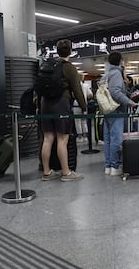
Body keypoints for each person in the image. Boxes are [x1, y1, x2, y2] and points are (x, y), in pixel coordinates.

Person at [40, 39, 86, 182]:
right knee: (62, 139)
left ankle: (47, 172)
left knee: (47, 138)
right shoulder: (69, 68)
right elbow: (77, 90)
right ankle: (66, 172)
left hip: (45, 104)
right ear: (71, 51)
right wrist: (84, 107)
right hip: (61, 103)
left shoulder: (48, 65)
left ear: (57, 50)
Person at [103, 51, 137, 176]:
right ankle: (114, 166)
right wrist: (130, 102)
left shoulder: (106, 74)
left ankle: (108, 166)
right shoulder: (117, 74)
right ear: (120, 61)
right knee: (116, 139)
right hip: (116, 110)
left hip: (106, 110)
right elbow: (116, 93)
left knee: (108, 140)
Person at [72, 74, 93, 142]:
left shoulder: (74, 86)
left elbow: (72, 95)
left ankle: (79, 136)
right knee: (84, 120)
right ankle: (85, 136)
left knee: (77, 121)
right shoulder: (86, 85)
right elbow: (90, 95)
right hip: (85, 104)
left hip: (76, 104)